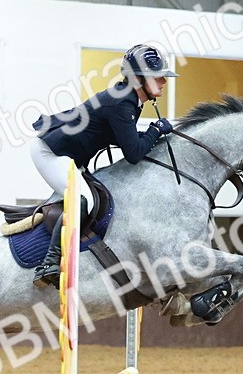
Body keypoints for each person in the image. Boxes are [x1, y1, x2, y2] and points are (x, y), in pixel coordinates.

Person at [29, 42, 177, 288]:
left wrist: (152, 134)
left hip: (70, 156)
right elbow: (134, 153)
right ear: (139, 79)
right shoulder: (122, 103)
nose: (163, 81)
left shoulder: (129, 100)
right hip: (50, 152)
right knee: (82, 200)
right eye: (158, 76)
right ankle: (49, 263)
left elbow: (130, 141)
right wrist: (156, 130)